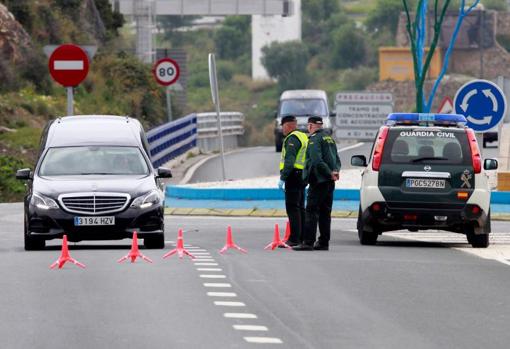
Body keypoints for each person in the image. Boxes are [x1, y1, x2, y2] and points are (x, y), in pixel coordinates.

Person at [293, 116, 340, 251]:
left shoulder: (314, 139)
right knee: (325, 212)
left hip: (319, 180)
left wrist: (327, 173)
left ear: (311, 126)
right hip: (330, 181)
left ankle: (308, 242)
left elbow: (316, 160)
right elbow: (337, 159)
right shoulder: (329, 138)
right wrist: (335, 172)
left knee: (312, 210)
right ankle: (324, 242)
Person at [278, 115, 308, 247]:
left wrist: (283, 178)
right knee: (300, 207)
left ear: (288, 125)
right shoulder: (303, 136)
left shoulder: (292, 139)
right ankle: (301, 237)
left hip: (293, 176)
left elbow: (289, 161)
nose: (282, 129)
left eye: (283, 126)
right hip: (302, 175)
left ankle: (294, 238)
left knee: (292, 208)